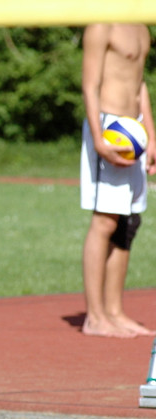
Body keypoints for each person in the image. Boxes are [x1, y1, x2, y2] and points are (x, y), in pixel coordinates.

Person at [80, 23, 156, 338]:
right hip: (109, 127)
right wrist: (98, 139)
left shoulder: (141, 24)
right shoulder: (102, 24)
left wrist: (151, 135)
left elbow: (139, 84)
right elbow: (90, 86)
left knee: (129, 221)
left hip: (134, 129)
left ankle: (114, 311)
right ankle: (94, 317)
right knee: (105, 222)